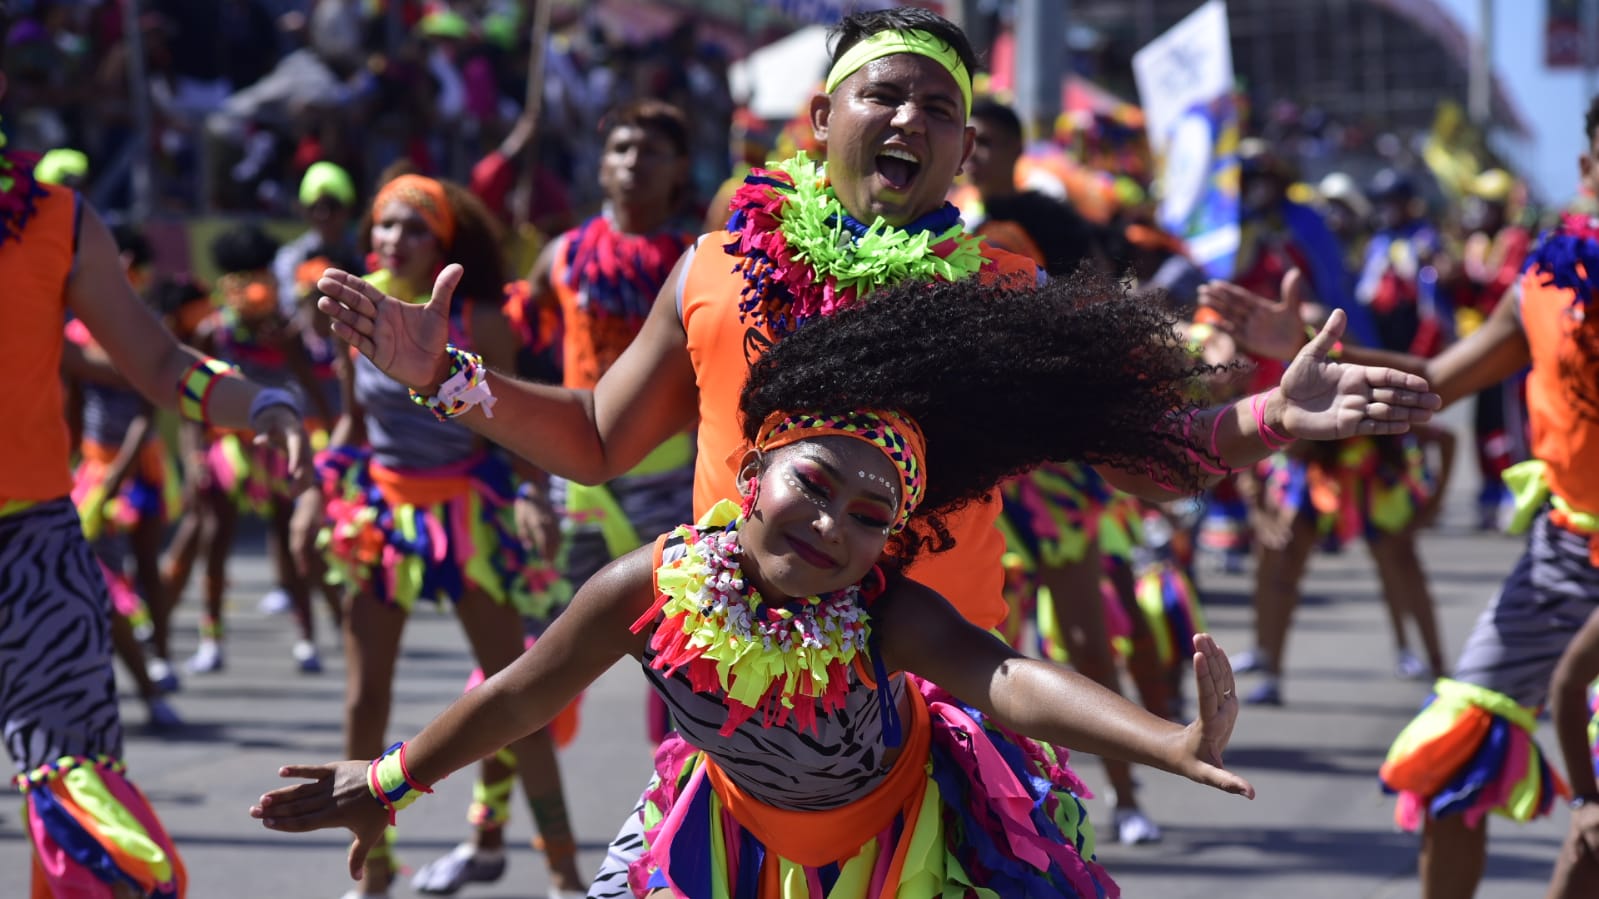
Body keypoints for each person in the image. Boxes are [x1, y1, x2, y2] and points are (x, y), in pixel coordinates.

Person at [304, 9, 1441, 890]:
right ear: (819, 117)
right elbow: (599, 437)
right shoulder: (714, 268)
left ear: (966, 150)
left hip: (932, 729)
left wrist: (1272, 420)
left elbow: (1151, 454)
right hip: (741, 724)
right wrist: (445, 376)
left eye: (940, 109)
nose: (911, 122)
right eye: (886, 95)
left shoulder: (1004, 292)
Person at [256, 266, 1434, 895]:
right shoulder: (650, 577)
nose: (831, 524)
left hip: (907, 845)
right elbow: (519, 688)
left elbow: (1006, 672)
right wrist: (389, 777)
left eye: (873, 517)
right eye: (813, 486)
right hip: (724, 832)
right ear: (756, 466)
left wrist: (1165, 739)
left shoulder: (883, 610)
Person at [1192, 94, 1599, 894]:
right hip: (1563, 555)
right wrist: (1307, 350)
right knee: (1451, 759)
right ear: (1587, 171)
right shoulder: (1544, 281)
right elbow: (1436, 382)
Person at [0, 12, 311, 892]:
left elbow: (159, 360)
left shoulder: (56, 220)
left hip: (31, 543)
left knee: (78, 790)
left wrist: (262, 402)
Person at [411, 100, 698, 897]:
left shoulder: (697, 259)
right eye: (619, 145)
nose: (633, 161)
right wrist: (530, 481)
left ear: (680, 170)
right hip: (576, 488)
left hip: (673, 486)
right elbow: (511, 358)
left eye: (650, 149)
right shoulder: (563, 255)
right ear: (598, 163)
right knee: (519, 666)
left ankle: (678, 844)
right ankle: (488, 835)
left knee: (689, 674)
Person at [315, 172, 581, 898]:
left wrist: (532, 493)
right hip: (380, 515)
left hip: (464, 516)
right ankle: (373, 874)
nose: (394, 239)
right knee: (364, 699)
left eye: (413, 228)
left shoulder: (479, 319)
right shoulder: (356, 304)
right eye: (384, 225)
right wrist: (321, 485)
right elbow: (351, 420)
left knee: (515, 697)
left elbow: (513, 421)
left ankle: (561, 869)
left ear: (443, 244)